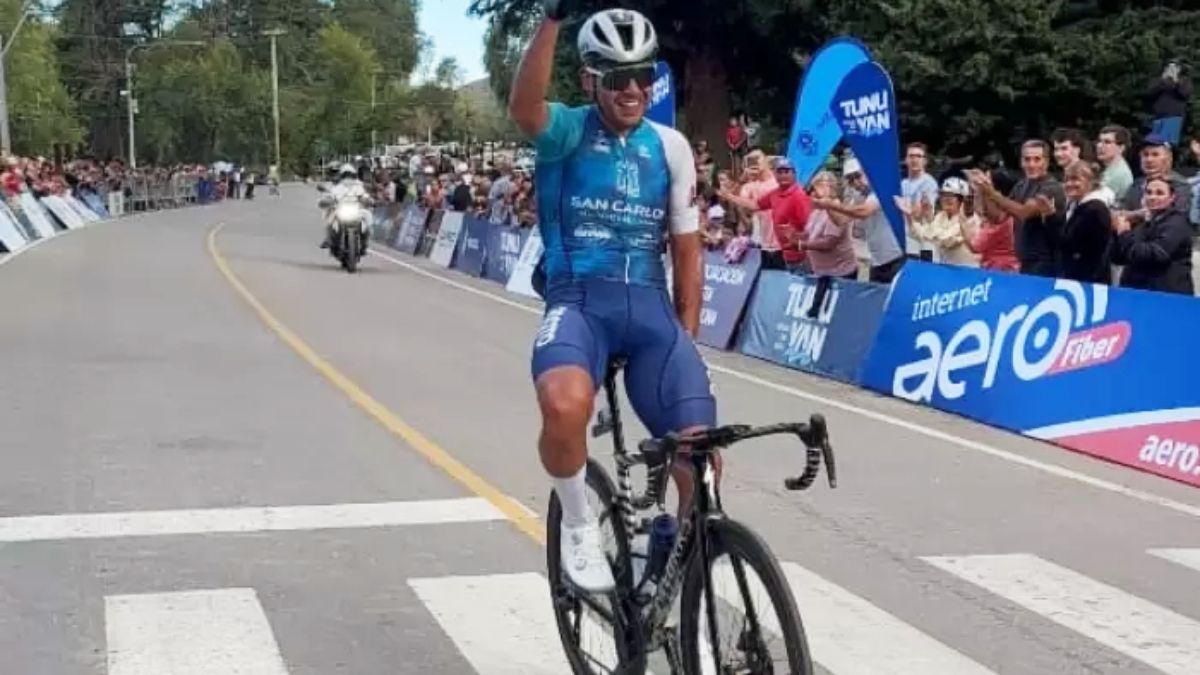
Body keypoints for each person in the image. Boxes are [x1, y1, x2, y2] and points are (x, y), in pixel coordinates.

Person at [508, 2, 714, 594]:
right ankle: (577, 520)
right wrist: (551, 18)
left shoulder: (670, 146)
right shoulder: (568, 131)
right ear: (590, 79)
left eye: (644, 75)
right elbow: (524, 108)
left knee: (700, 450)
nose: (633, 89)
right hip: (579, 302)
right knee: (564, 405)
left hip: (650, 310)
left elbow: (688, 249)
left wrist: (687, 340)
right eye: (618, 77)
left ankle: (671, 556)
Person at [320, 163, 369, 250]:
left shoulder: (358, 185)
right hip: (341, 208)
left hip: (356, 209)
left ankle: (364, 242)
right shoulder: (337, 187)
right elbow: (329, 195)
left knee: (366, 220)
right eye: (346, 175)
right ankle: (329, 238)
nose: (348, 177)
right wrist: (325, 200)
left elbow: (365, 195)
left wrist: (369, 200)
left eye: (350, 175)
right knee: (330, 218)